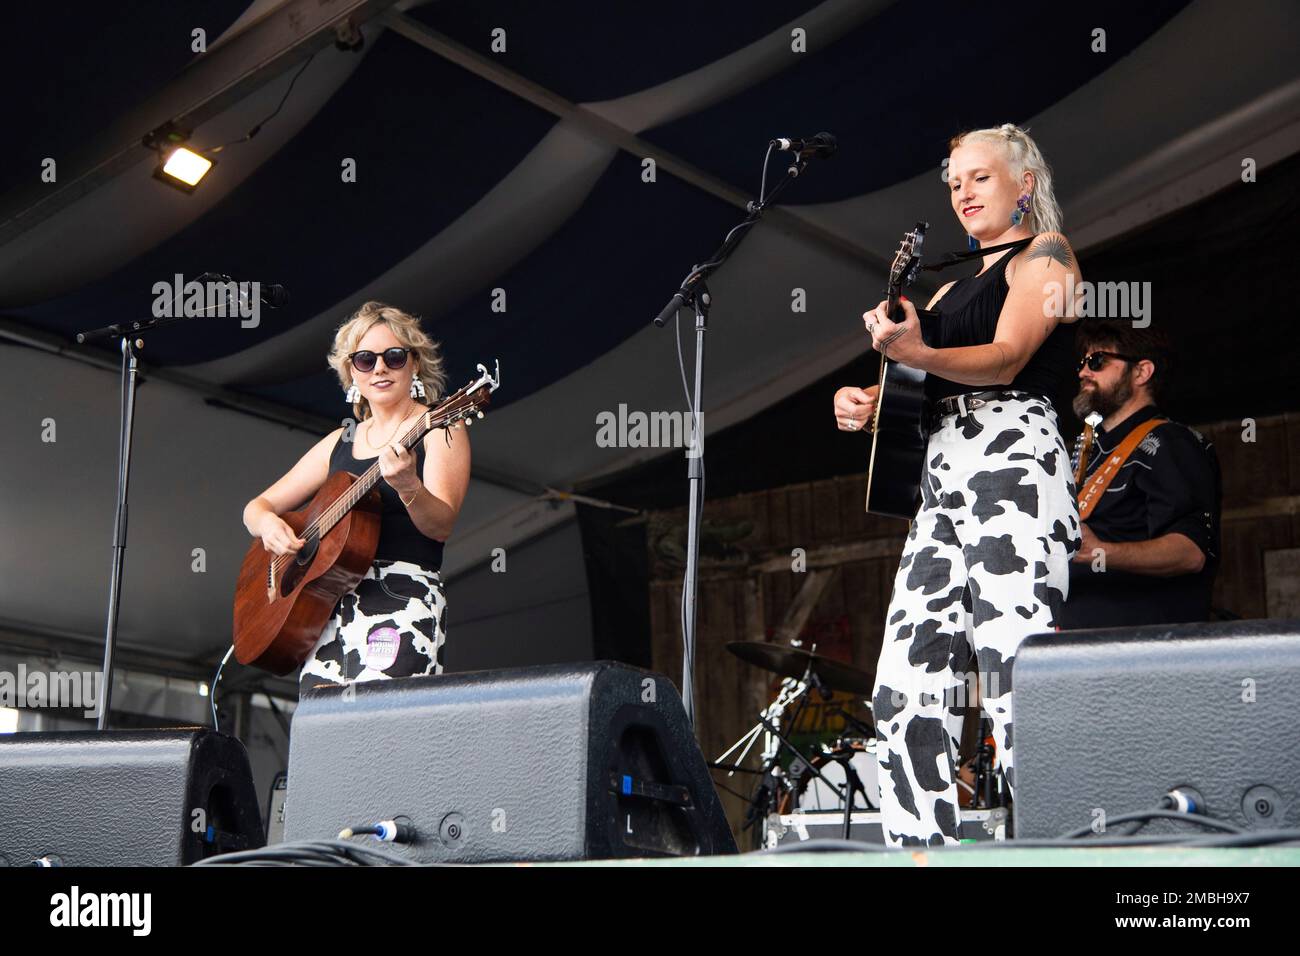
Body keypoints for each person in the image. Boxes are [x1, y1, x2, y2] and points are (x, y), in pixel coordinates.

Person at [832, 124, 1081, 846]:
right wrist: (866, 400)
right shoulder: (945, 286)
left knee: (1013, 671)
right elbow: (920, 382)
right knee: (903, 688)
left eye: (979, 176)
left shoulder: (1049, 256)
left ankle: (1065, 845)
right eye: (953, 181)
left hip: (1013, 460)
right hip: (941, 476)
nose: (962, 192)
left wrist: (918, 350)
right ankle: (921, 853)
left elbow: (1005, 358)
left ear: (1024, 184)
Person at [241, 301, 471, 691]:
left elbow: (441, 526)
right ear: (351, 372)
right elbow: (256, 508)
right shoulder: (341, 440)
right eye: (365, 360)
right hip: (325, 610)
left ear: (414, 363)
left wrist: (409, 486)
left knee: (384, 723)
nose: (379, 368)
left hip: (401, 598)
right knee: (322, 727)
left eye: (393, 357)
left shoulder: (439, 426)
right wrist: (268, 526)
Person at [1061, 321, 1220, 628]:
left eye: (1097, 361)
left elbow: (1191, 552)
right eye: (1082, 364)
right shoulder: (1089, 451)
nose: (1083, 372)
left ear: (1142, 372)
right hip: (1078, 644)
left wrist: (1100, 552)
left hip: (1140, 647)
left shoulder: (1170, 442)